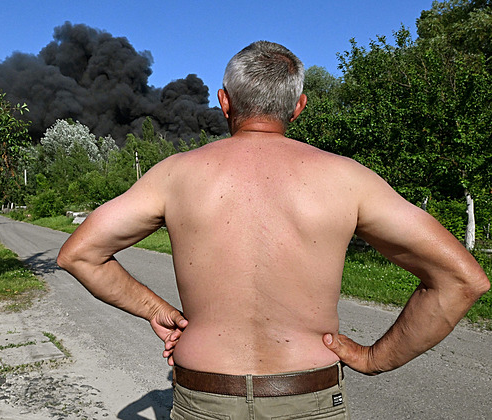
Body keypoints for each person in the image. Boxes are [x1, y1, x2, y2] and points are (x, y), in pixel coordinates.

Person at [57, 41, 490, 419]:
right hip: (309, 399)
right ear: (298, 106)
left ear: (225, 102)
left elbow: (79, 253)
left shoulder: (174, 176)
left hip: (205, 399)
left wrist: (158, 311)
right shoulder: (347, 179)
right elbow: (461, 279)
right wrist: (373, 358)